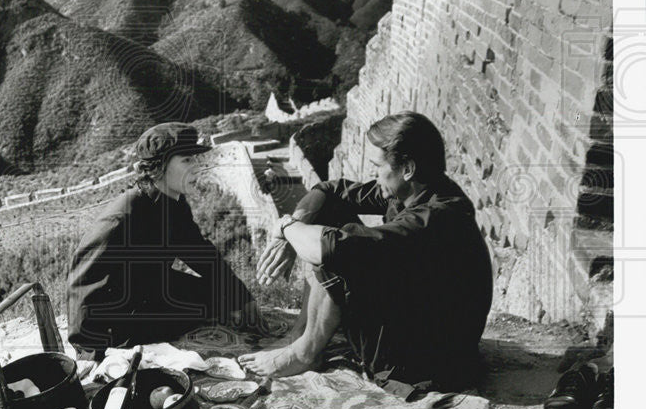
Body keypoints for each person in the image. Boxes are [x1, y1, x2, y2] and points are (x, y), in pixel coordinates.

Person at [239, 111, 493, 393]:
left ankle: (305, 352)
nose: (374, 176)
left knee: (341, 252)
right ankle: (301, 333)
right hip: (421, 311)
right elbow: (330, 190)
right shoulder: (413, 189)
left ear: (407, 168)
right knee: (330, 217)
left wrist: (286, 226)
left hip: (427, 362)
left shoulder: (435, 218)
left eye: (377, 167)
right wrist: (296, 225)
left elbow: (331, 247)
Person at [67, 122, 262, 359]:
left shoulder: (174, 202)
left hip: (149, 287)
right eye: (187, 160)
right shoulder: (123, 217)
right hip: (118, 316)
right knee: (201, 311)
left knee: (220, 296)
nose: (198, 168)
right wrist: (88, 349)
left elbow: (200, 253)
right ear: (158, 168)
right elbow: (83, 281)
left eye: (196, 160)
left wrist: (241, 297)